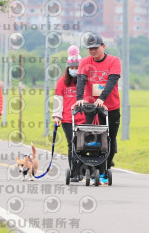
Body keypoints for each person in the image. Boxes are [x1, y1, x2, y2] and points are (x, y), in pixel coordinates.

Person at [74, 34, 121, 185]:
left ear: (103, 46)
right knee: (92, 139)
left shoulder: (114, 61)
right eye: (90, 49)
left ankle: (105, 170)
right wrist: (79, 98)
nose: (93, 51)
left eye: (95, 48)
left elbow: (112, 81)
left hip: (110, 107)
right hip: (91, 107)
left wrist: (102, 98)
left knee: (109, 138)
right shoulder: (85, 62)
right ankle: (93, 169)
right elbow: (81, 80)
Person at [52, 45, 85, 182]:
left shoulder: (85, 81)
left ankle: (81, 170)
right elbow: (58, 100)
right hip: (67, 119)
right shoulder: (62, 82)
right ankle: (74, 172)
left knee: (82, 145)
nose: (74, 70)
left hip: (83, 119)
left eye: (76, 67)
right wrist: (56, 117)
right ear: (68, 68)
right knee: (72, 145)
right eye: (71, 67)